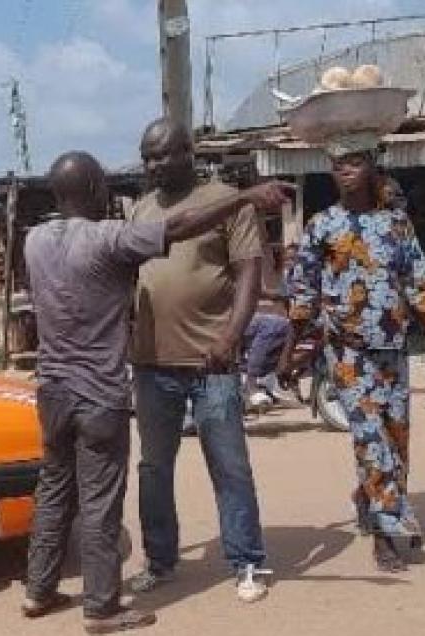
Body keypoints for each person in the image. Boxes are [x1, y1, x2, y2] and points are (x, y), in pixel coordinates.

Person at [23, 149, 290, 634]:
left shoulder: (34, 240)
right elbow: (181, 227)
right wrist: (245, 197)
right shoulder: (108, 236)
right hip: (97, 393)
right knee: (100, 500)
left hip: (53, 390)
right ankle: (101, 607)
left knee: (55, 488)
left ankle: (38, 590)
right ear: (96, 190)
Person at [127, 117, 273, 603]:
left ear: (188, 152)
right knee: (154, 469)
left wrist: (231, 336)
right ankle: (160, 561)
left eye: (162, 155)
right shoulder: (141, 209)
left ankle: (247, 561)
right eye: (147, 157)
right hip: (152, 363)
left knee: (229, 465)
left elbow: (249, 274)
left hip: (212, 362)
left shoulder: (227, 201)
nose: (153, 165)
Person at [284, 144, 425, 572]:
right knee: (371, 438)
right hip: (347, 353)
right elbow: (303, 292)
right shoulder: (322, 225)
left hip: (393, 348)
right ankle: (385, 533)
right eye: (339, 164)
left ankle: (368, 497)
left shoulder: (396, 224)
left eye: (355, 163)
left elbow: (417, 278)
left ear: (371, 167)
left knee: (396, 436)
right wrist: (289, 352)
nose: (346, 171)